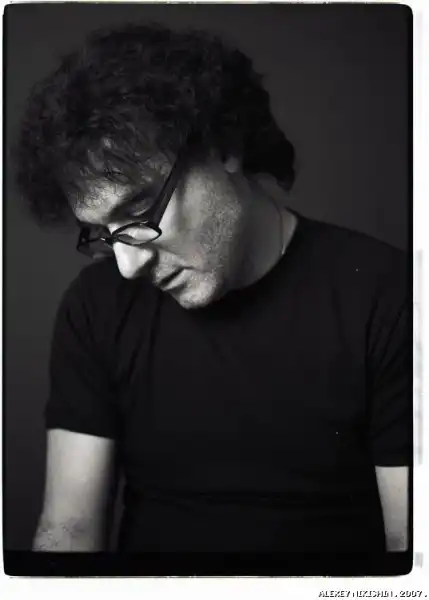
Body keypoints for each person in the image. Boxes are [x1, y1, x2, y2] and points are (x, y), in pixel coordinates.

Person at [14, 22, 410, 554]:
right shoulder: (95, 307)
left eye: (139, 210)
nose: (128, 265)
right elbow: (69, 531)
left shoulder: (389, 298)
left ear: (223, 146)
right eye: (105, 234)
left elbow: (410, 554)